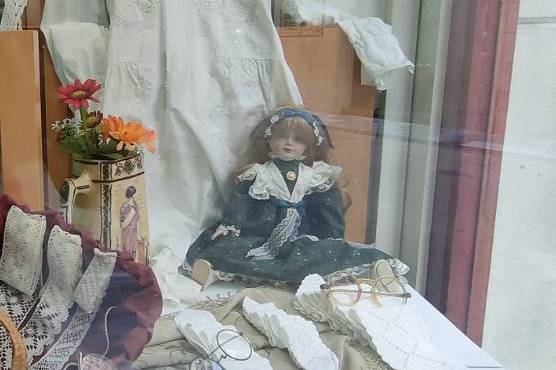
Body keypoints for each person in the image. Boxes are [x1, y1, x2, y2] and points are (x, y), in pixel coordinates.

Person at [185, 107, 407, 287]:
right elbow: (241, 201)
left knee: (320, 253)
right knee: (232, 248)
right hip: (261, 234)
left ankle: (378, 268)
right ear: (269, 140)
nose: (289, 143)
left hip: (302, 237)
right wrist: (229, 224)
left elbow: (327, 208)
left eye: (297, 139)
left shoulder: (316, 176)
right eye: (283, 137)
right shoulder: (258, 173)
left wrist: (332, 237)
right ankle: (212, 271)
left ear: (308, 146)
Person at [119, 185, 141, 262]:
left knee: (134, 252)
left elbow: (137, 219)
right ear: (132, 194)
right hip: (127, 233)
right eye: (135, 192)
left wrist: (138, 235)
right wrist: (131, 213)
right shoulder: (125, 207)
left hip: (134, 233)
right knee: (127, 252)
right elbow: (123, 225)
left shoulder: (135, 205)